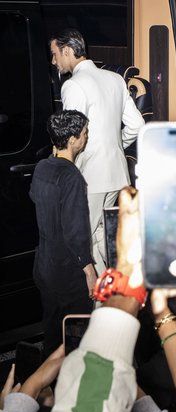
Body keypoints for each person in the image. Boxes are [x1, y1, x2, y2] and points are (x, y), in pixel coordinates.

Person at [49, 28, 145, 274]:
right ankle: (115, 299)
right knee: (104, 238)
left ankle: (97, 305)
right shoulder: (115, 79)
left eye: (55, 54)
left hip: (90, 175)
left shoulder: (73, 85)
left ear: (68, 50)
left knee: (83, 241)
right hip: (117, 174)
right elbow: (137, 124)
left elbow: (72, 135)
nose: (53, 61)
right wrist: (116, 145)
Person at [30, 110, 95, 358]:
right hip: (66, 272)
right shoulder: (72, 177)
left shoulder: (42, 166)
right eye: (84, 133)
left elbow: (34, 198)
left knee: (52, 330)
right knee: (76, 337)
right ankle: (74, 387)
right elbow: (75, 230)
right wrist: (88, 269)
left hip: (44, 264)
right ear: (71, 140)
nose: (86, 137)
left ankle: (47, 386)